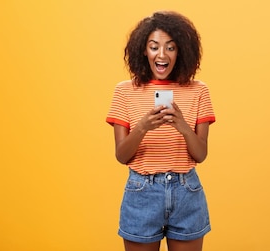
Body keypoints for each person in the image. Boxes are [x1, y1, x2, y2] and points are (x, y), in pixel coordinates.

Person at [105, 11, 216, 251]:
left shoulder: (199, 91)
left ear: (181, 52)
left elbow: (201, 154)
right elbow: (121, 155)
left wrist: (183, 126)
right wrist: (143, 126)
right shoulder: (125, 91)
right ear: (144, 50)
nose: (162, 55)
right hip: (141, 192)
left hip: (187, 192)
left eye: (171, 48)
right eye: (154, 47)